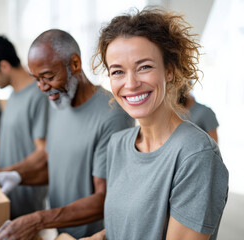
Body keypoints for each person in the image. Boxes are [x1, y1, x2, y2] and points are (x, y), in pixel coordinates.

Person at [85, 7, 229, 240]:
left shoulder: (196, 155)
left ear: (169, 71)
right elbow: (127, 226)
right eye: (118, 71)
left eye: (144, 67)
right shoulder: (117, 144)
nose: (130, 84)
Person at [0, 29, 134, 240]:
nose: (42, 87)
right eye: (36, 79)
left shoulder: (112, 114)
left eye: (48, 77)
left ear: (75, 64)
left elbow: (105, 197)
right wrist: (14, 176)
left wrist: (38, 220)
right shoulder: (58, 104)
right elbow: (58, 170)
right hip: (63, 233)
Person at [0, 36, 49, 218]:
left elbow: (42, 152)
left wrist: (2, 173)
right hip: (5, 193)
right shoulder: (13, 95)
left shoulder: (38, 96)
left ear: (4, 66)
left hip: (26, 199)